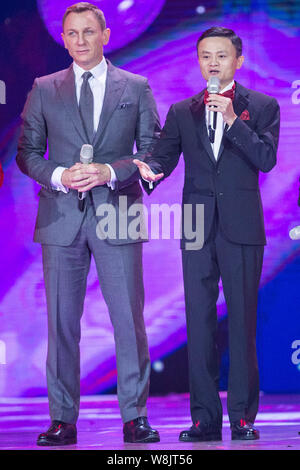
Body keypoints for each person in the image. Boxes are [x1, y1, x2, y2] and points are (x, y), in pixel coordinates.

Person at [16, 2, 161, 446]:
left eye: (88, 32)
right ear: (63, 39)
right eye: (71, 33)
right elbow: (27, 152)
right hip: (61, 218)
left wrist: (112, 171)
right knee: (61, 323)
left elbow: (154, 151)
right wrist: (59, 176)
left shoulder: (135, 87)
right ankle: (63, 419)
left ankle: (135, 417)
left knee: (127, 321)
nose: (80, 40)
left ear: (105, 35)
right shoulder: (44, 87)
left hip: (118, 212)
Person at [134, 27, 280, 441]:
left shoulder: (263, 106)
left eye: (220, 55)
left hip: (242, 227)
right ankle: (204, 419)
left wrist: (232, 120)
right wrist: (147, 172)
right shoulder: (183, 111)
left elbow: (266, 158)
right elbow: (162, 158)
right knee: (199, 323)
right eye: (205, 56)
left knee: (241, 324)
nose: (212, 63)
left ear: (239, 60)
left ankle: (243, 417)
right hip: (197, 227)